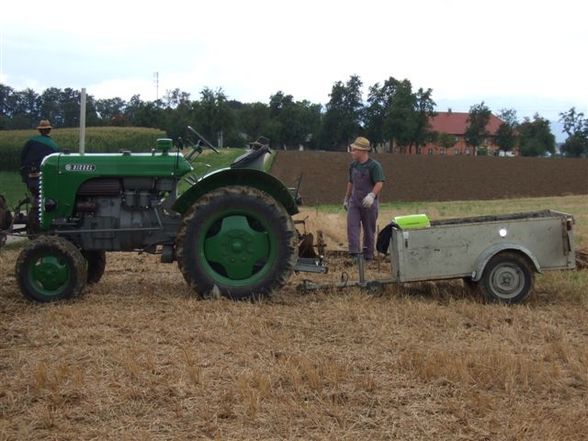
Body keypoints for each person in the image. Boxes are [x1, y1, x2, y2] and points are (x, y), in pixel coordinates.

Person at [343, 136, 385, 261]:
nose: (352, 152)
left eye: (354, 150)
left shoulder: (374, 166)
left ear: (362, 151)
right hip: (355, 202)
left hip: (369, 203)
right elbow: (351, 182)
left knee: (368, 230)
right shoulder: (353, 165)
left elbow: (379, 182)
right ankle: (354, 254)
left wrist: (372, 195)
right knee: (352, 226)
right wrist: (346, 198)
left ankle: (368, 256)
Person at [20, 119, 59, 197]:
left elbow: (23, 156)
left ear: (40, 130)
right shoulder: (54, 146)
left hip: (29, 171)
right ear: (49, 130)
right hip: (45, 173)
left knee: (34, 193)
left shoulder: (31, 141)